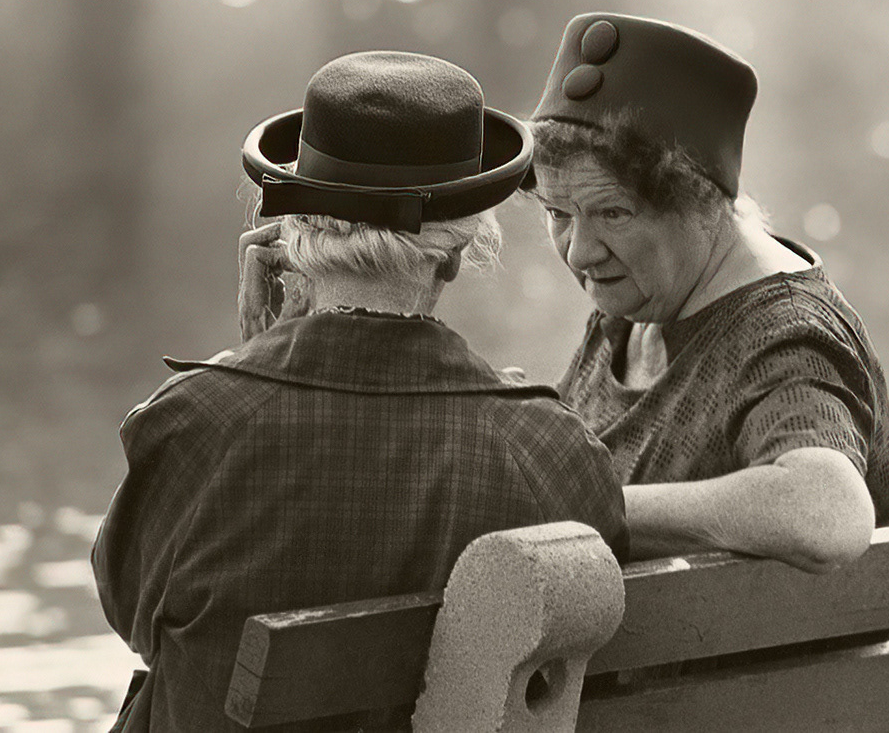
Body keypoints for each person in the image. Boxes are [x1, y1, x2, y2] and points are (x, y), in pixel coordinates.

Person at [92, 51, 628, 732]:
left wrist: (251, 361)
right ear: (453, 256)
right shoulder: (551, 454)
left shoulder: (196, 429)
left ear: (296, 237)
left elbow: (130, 613)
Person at [523, 12, 889, 570]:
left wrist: (592, 510)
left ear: (700, 200)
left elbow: (827, 514)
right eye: (558, 213)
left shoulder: (786, 336)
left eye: (613, 212)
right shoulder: (640, 295)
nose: (579, 252)